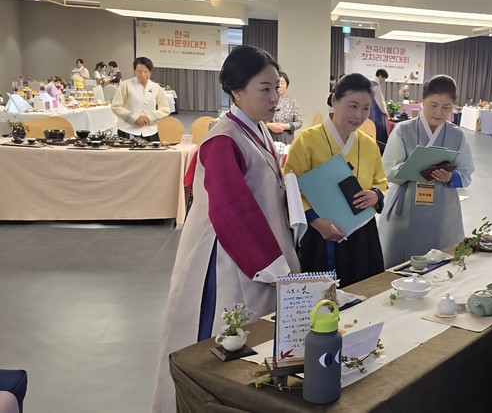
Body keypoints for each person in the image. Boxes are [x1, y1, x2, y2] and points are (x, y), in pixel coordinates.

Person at [151, 46, 301, 413]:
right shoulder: (224, 138)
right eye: (264, 89)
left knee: (253, 343)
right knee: (223, 343)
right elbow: (232, 211)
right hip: (230, 257)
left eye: (276, 88)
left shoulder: (256, 129)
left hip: (259, 250)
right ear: (237, 91)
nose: (274, 97)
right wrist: (275, 268)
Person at [284, 73, 387, 287]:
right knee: (323, 296)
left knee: (363, 291)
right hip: (320, 231)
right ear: (334, 100)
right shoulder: (306, 141)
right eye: (353, 106)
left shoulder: (369, 144)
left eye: (366, 108)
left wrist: (375, 195)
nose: (358, 115)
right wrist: (316, 222)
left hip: (362, 231)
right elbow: (291, 190)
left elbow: (380, 182)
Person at [379, 75, 475, 267]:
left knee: (441, 262)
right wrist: (411, 169)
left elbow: (466, 171)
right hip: (407, 203)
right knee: (399, 262)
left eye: (446, 107)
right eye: (433, 105)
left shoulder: (457, 135)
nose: (439, 112)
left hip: (443, 206)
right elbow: (388, 168)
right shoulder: (403, 130)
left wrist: (450, 177)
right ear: (422, 101)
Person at [110, 56, 170, 142]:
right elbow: (116, 106)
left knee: (152, 151)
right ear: (134, 71)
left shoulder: (156, 87)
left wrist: (149, 118)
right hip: (127, 129)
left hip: (150, 131)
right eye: (139, 71)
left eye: (146, 71)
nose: (143, 75)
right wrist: (134, 118)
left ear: (151, 72)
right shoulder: (125, 85)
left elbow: (165, 109)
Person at [266, 71, 302, 144]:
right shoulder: (265, 101)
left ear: (287, 85)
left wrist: (284, 126)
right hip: (268, 136)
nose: (280, 85)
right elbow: (256, 120)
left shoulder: (292, 102)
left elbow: (299, 122)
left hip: (286, 137)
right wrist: (269, 125)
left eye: (282, 83)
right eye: (277, 83)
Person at [369, 68, 390, 143]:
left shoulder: (369, 83)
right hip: (376, 113)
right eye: (384, 78)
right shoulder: (375, 85)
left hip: (370, 111)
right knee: (379, 131)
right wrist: (386, 112)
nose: (384, 81)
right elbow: (380, 102)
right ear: (380, 76)